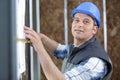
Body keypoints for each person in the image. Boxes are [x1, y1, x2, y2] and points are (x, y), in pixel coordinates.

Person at [24, 2, 112, 80]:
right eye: (77, 20)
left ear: (94, 30)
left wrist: (39, 48)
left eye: (86, 22)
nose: (80, 25)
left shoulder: (95, 62)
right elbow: (59, 50)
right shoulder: (78, 48)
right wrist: (42, 38)